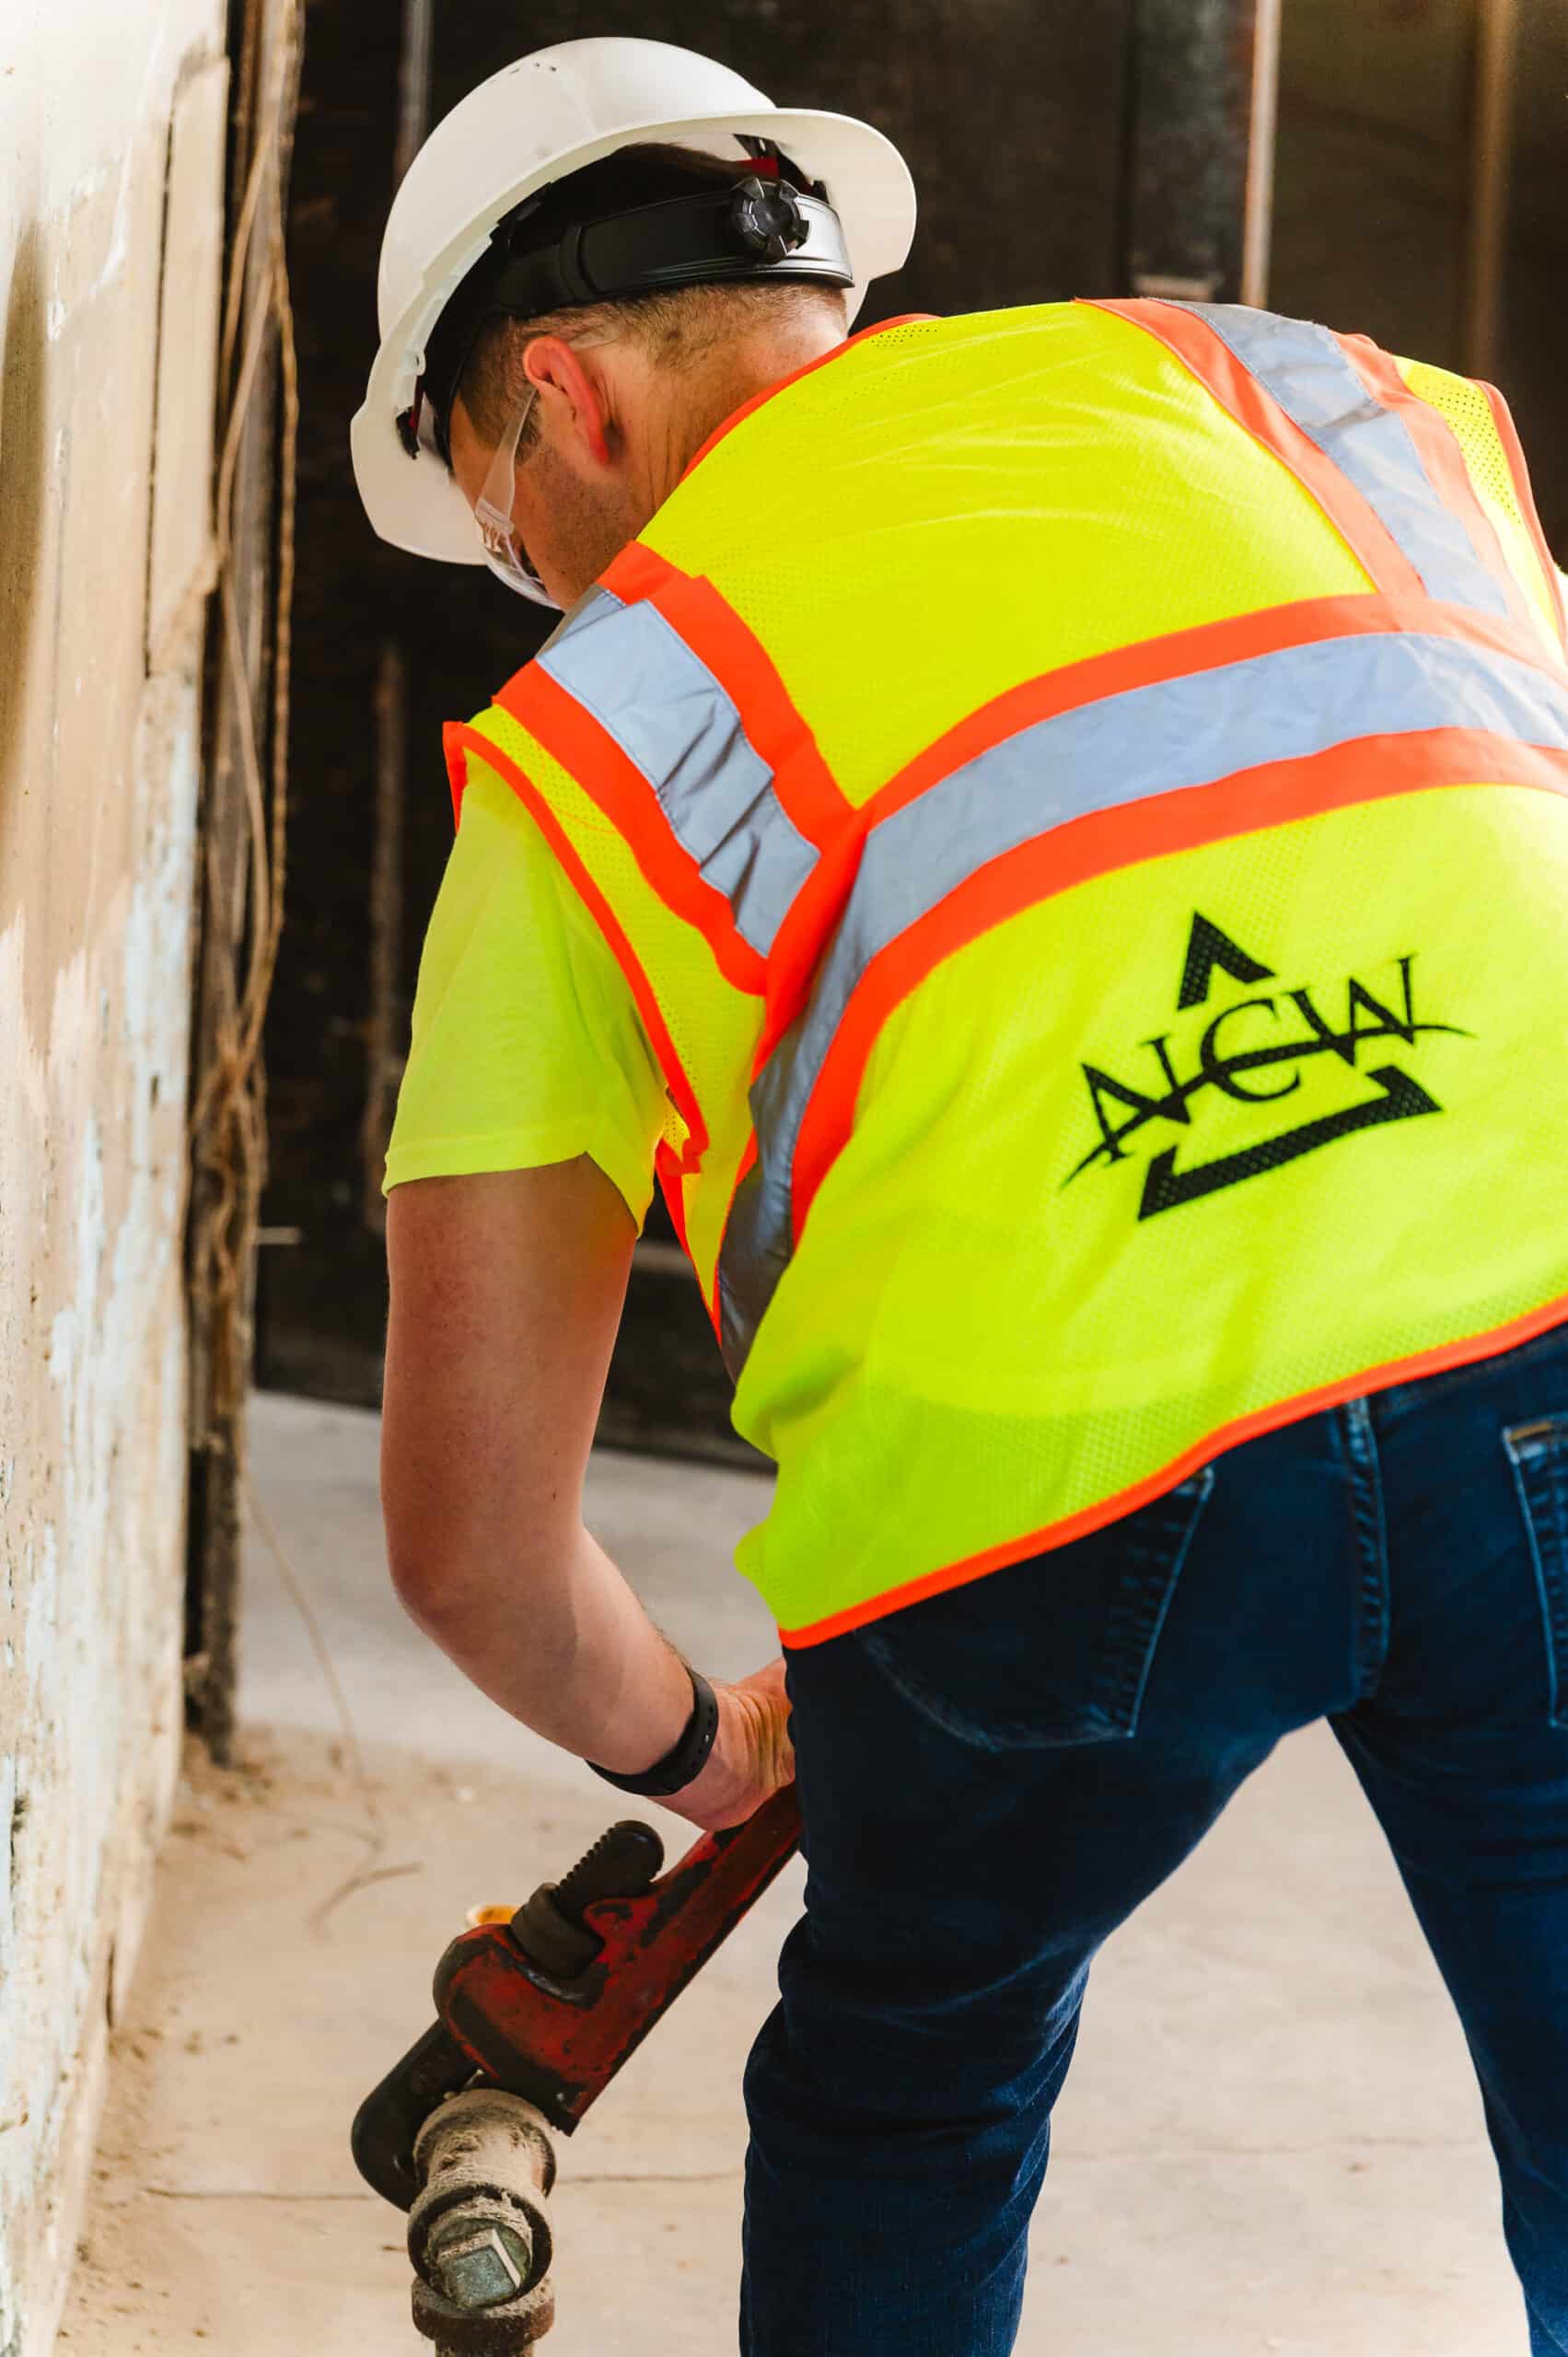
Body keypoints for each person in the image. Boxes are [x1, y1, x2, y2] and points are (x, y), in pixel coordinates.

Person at [352, 35, 1568, 2354]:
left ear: (559, 403)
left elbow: (473, 1543)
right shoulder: (1301, 394)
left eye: (501, 520)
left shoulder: (600, 735)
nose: (532, 581)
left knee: (911, 2084)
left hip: (1063, 1484)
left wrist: (712, 1751)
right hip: (1552, 1313)